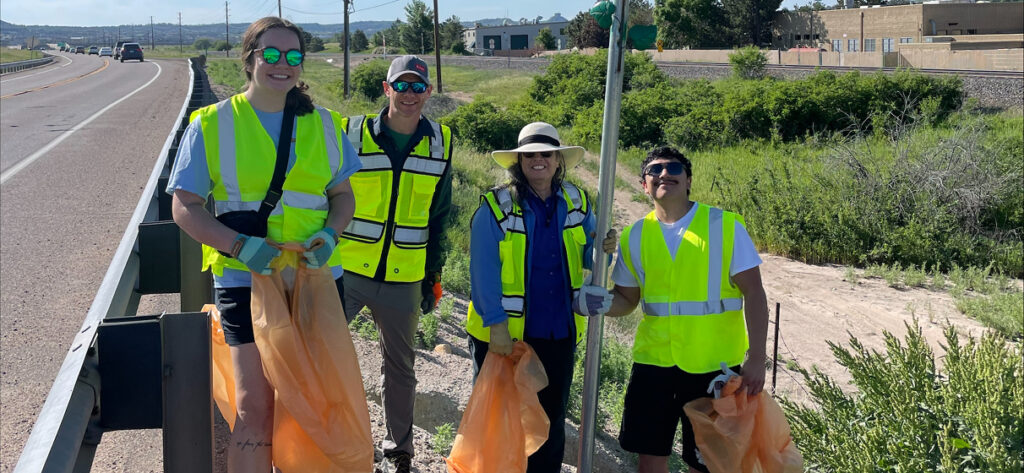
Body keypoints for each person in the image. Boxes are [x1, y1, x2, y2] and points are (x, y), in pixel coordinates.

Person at [167, 17, 360, 472]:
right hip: (245, 280)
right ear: (250, 59)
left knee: (316, 404)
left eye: (293, 56)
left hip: (314, 281)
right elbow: (185, 207)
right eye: (271, 54)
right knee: (257, 408)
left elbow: (343, 197)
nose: (283, 64)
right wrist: (239, 247)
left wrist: (331, 234)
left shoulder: (327, 125)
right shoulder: (212, 124)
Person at [600, 146, 769, 473]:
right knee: (649, 458)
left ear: (688, 179)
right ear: (644, 185)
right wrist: (596, 302)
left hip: (714, 367)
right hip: (653, 363)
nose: (665, 174)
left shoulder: (725, 226)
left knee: (707, 462)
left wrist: (758, 357)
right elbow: (627, 300)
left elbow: (755, 292)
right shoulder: (635, 235)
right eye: (655, 170)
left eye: (674, 168)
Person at [464, 122, 614, 472]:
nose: (538, 160)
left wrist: (601, 249)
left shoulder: (577, 202)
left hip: (558, 332)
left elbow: (587, 255)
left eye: (546, 153)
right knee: (501, 420)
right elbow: (482, 270)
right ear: (519, 162)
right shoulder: (497, 206)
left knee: (550, 421)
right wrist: (496, 324)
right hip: (506, 337)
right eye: (529, 155)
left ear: (558, 160)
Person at [335, 55, 452, 473]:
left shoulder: (442, 142)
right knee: (321, 354)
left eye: (417, 87)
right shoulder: (350, 133)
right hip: (347, 273)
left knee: (401, 370)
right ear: (386, 89)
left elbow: (440, 217)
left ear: (428, 93)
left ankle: (398, 451)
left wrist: (432, 277)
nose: (409, 94)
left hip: (405, 278)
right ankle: (325, 439)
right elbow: (326, 194)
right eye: (400, 86)